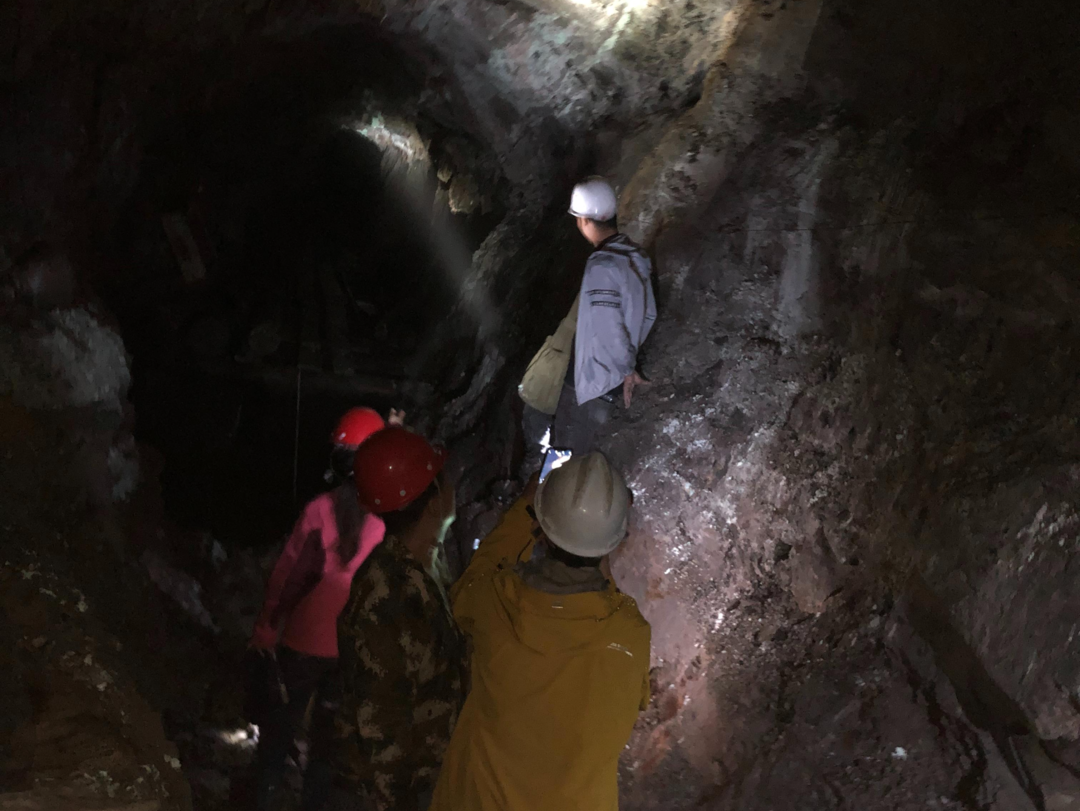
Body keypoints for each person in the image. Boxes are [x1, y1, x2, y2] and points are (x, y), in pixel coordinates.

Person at [430, 451, 651, 811]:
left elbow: (470, 587)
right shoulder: (629, 637)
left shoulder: (494, 603)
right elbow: (636, 696)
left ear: (543, 529)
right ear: (614, 540)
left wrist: (525, 508)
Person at [306, 427, 468, 811]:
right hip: (389, 794)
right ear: (432, 502)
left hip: (424, 779)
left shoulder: (425, 565)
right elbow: (381, 724)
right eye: (444, 478)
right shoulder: (387, 593)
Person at [248, 407, 400, 811]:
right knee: (326, 749)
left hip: (303, 644)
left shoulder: (319, 511)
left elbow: (289, 577)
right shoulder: (387, 521)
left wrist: (266, 628)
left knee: (278, 733)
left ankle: (264, 797)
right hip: (350, 652)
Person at [518, 177, 657, 479]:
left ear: (583, 221)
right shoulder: (636, 256)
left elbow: (609, 329)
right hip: (612, 381)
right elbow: (648, 314)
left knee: (566, 464)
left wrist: (626, 367)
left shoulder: (601, 266)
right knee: (583, 457)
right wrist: (629, 363)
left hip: (591, 384)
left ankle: (551, 497)